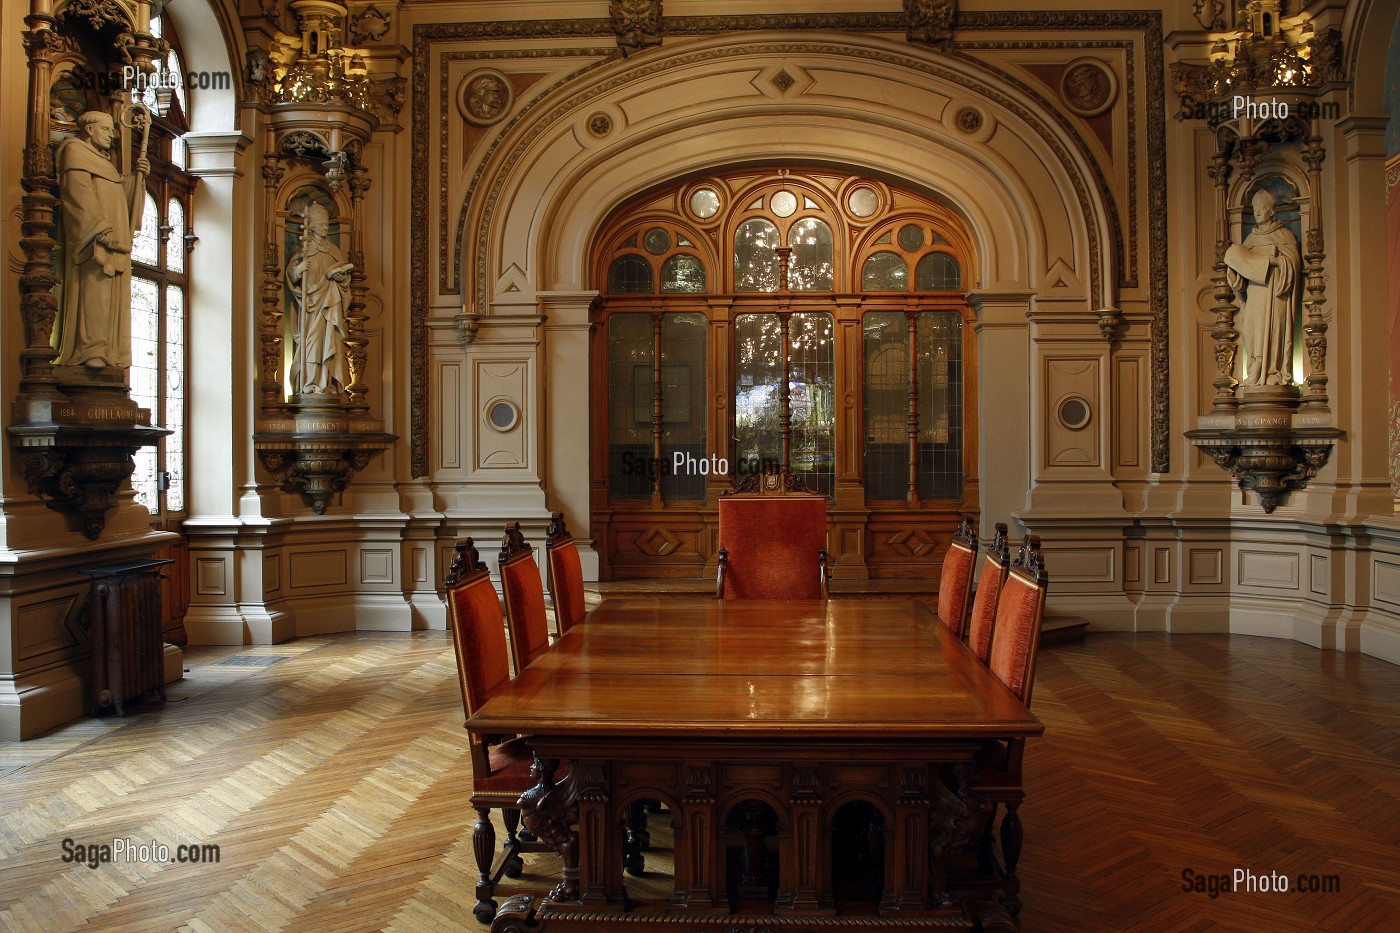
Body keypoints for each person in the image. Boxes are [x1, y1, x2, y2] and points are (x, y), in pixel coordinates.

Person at [52, 110, 147, 370]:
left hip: (115, 239)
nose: (111, 136)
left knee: (113, 296)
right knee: (95, 291)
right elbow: (78, 196)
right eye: (105, 129)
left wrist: (137, 179)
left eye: (112, 130)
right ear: (89, 129)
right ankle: (90, 348)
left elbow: (121, 199)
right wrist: (100, 232)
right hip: (93, 240)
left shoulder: (104, 162)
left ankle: (109, 350)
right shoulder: (75, 152)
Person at [1225, 188, 1301, 386]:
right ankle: (1255, 371)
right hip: (1255, 295)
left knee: (1275, 330)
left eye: (1262, 208)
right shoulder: (1250, 240)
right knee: (1252, 332)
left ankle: (1273, 371)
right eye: (1255, 208)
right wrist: (1235, 268)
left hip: (1276, 294)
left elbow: (1293, 264)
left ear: (1272, 211)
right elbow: (1240, 274)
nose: (1258, 212)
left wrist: (1276, 262)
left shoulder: (1284, 236)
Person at [286, 202, 353, 396]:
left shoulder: (333, 250)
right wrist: (298, 270)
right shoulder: (304, 250)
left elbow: (343, 279)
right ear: (312, 227)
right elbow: (292, 277)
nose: (325, 227)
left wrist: (340, 278)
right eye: (321, 224)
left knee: (329, 342)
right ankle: (310, 382)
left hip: (330, 305)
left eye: (326, 224)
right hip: (311, 307)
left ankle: (327, 381)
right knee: (312, 343)